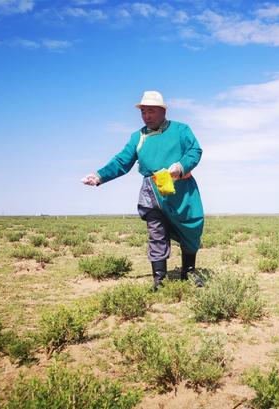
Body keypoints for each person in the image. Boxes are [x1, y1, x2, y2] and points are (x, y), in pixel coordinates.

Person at [81, 91, 204, 290]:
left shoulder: (182, 130)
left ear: (163, 111)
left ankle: (188, 272)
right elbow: (122, 161)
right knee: (156, 233)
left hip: (182, 190)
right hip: (151, 191)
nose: (146, 116)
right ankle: (159, 280)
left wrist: (180, 167)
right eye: (143, 112)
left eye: (151, 111)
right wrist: (99, 176)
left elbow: (194, 151)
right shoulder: (138, 137)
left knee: (190, 229)